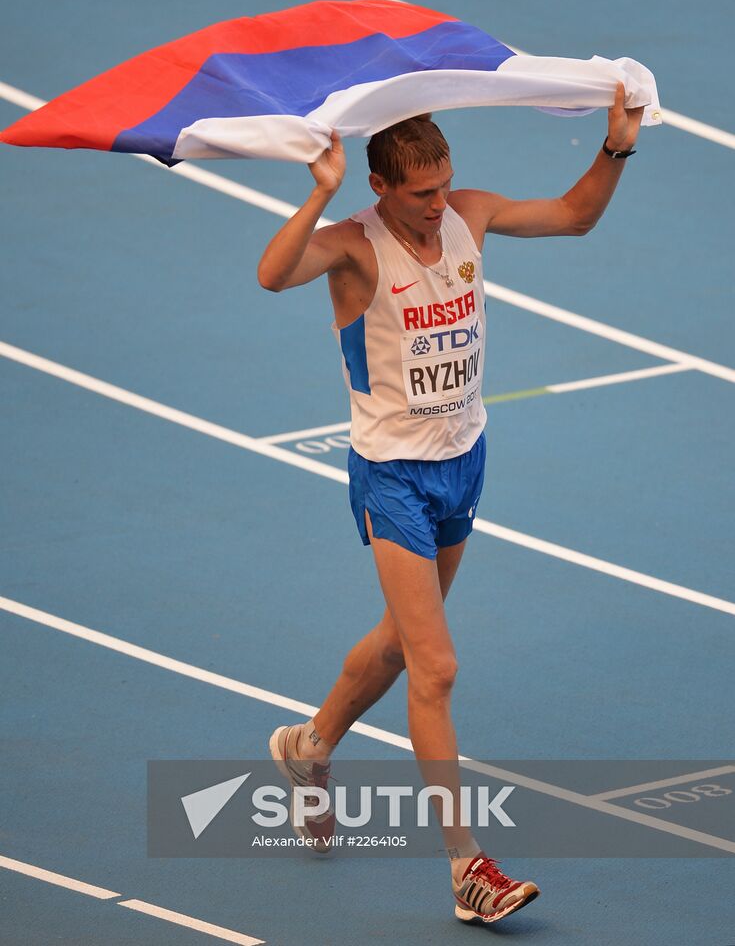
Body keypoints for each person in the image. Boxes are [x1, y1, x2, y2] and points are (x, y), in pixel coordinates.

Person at [259, 82, 644, 925]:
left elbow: (575, 215)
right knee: (436, 667)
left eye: (443, 187)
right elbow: (271, 275)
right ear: (381, 190)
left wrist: (615, 145)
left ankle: (309, 746)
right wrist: (317, 191)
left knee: (403, 641)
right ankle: (468, 868)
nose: (438, 206)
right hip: (392, 474)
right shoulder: (355, 247)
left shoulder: (467, 213)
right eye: (421, 195)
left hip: (463, 461)